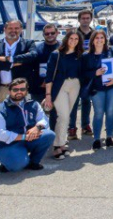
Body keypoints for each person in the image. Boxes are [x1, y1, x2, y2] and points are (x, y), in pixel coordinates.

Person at [0, 19, 37, 166]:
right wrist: (12, 63)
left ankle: (20, 151)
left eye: (16, 28)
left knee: (21, 121)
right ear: (5, 29)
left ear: (21, 30)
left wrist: (8, 59)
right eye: (10, 28)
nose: (13, 31)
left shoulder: (28, 44)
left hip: (18, 90)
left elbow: (32, 56)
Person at [0, 78, 55, 173]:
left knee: (49, 135)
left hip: (26, 139)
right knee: (18, 165)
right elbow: (0, 134)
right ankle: (8, 162)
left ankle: (33, 162)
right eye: (15, 90)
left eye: (22, 89)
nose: (19, 92)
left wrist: (37, 127)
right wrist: (24, 137)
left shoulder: (34, 104)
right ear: (9, 91)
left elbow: (44, 119)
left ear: (26, 90)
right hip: (5, 146)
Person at [43, 30, 84, 159]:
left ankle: (62, 143)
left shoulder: (80, 55)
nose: (73, 41)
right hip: (60, 87)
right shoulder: (56, 54)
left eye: (76, 39)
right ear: (66, 39)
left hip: (75, 85)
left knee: (67, 115)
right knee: (63, 116)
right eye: (71, 38)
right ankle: (57, 145)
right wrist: (48, 95)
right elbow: (49, 76)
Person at [82, 30, 113, 149]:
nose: (99, 40)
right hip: (97, 88)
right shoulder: (87, 55)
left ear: (105, 39)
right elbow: (82, 73)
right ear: (92, 40)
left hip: (112, 87)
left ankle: (109, 136)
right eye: (97, 38)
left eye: (102, 37)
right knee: (98, 113)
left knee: (110, 112)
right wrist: (95, 73)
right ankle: (97, 138)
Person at [70, 9, 96, 140]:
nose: (85, 20)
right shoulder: (73, 34)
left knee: (86, 100)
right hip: (75, 71)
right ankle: (71, 127)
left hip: (89, 71)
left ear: (91, 19)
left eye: (87, 18)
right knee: (73, 101)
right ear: (79, 20)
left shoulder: (94, 34)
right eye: (83, 18)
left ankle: (85, 125)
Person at [32, 23, 62, 103]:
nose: (50, 35)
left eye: (52, 33)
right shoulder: (36, 49)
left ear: (57, 33)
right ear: (43, 35)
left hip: (59, 87)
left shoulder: (63, 48)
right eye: (47, 34)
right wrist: (39, 82)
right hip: (40, 88)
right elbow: (30, 68)